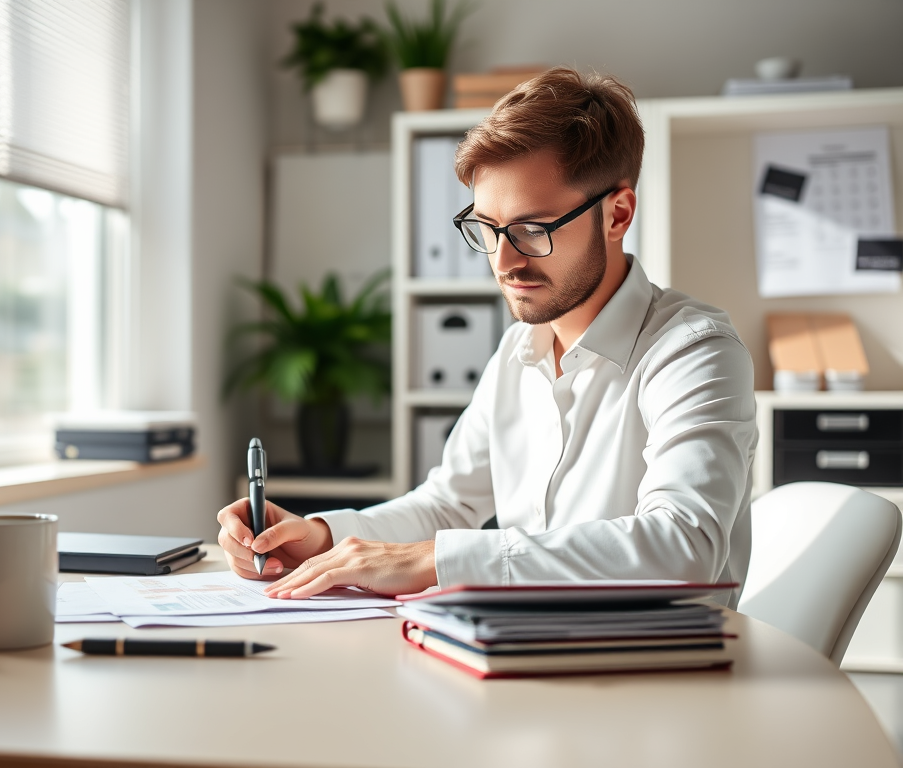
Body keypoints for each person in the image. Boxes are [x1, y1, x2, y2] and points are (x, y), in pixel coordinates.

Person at [217, 67, 757, 605]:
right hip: (524, 652)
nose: (503, 262)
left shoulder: (693, 351)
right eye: (488, 229)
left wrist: (436, 560)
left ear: (617, 215)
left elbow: (686, 545)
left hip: (666, 672)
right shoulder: (517, 352)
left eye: (532, 229)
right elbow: (448, 505)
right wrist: (320, 539)